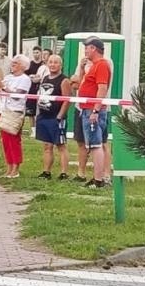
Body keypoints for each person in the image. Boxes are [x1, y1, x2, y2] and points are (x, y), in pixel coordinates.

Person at [72, 38, 114, 188]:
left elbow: (102, 88)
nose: (85, 51)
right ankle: (98, 177)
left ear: (94, 49)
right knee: (95, 144)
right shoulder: (94, 66)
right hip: (88, 108)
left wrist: (95, 110)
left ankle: (99, 179)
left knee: (96, 145)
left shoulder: (102, 65)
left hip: (93, 109)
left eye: (87, 48)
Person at [35, 53, 72, 180]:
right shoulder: (45, 78)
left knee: (60, 145)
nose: (53, 65)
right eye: (50, 62)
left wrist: (60, 116)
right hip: (44, 116)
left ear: (60, 65)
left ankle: (64, 173)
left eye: (56, 62)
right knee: (47, 146)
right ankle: (46, 172)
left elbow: (67, 100)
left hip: (56, 117)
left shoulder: (64, 80)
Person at [0, 55, 33, 179]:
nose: (13, 65)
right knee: (5, 141)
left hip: (16, 111)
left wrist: (4, 87)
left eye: (16, 63)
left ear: (23, 66)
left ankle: (16, 167)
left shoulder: (25, 79)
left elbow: (18, 95)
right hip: (4, 110)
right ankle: (8, 166)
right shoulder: (8, 77)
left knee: (14, 140)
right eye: (12, 63)